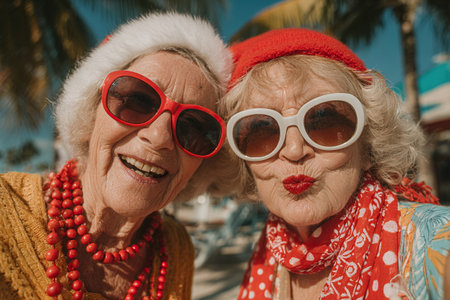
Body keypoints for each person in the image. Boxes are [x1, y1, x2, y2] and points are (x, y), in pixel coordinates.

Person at [0, 12, 237, 299]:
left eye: (195, 127)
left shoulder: (175, 248)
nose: (160, 137)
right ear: (89, 115)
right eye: (138, 100)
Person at [220, 28, 450, 299]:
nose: (294, 150)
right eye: (262, 130)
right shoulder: (269, 252)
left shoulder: (435, 241)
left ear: (367, 146)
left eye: (323, 121)